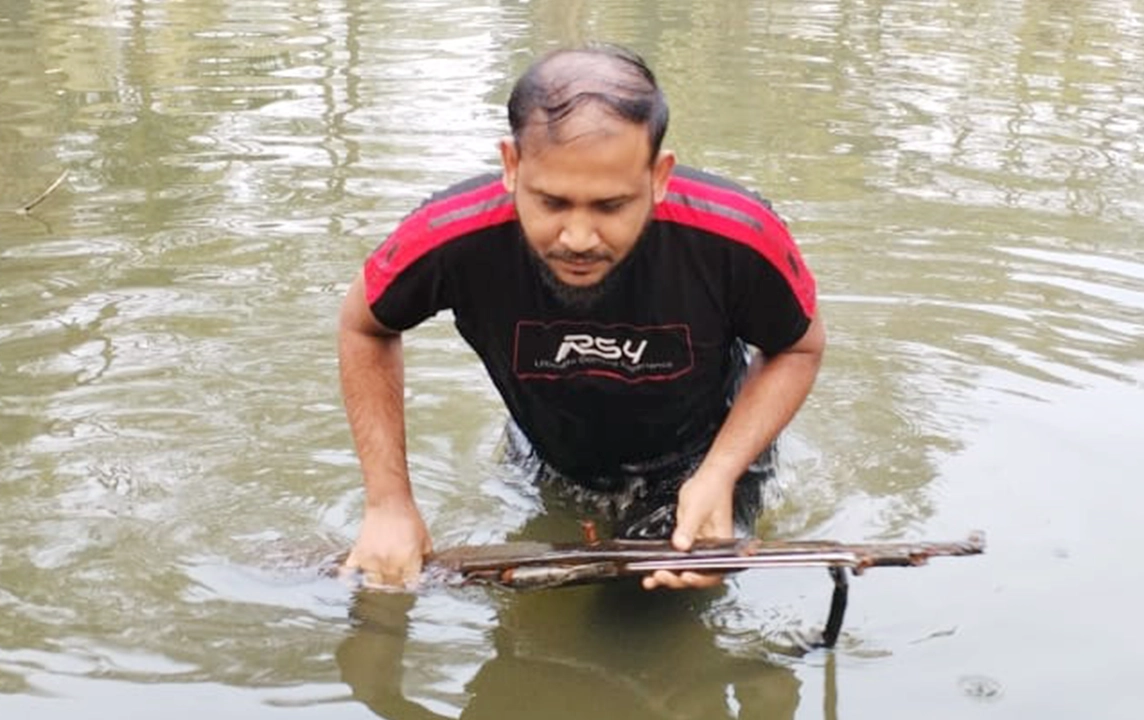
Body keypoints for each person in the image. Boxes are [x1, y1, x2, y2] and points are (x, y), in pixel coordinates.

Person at [337, 43, 824, 591]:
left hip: (703, 451)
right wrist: (388, 504)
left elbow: (797, 347)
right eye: (551, 203)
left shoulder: (735, 237)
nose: (577, 238)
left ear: (659, 176)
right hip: (547, 449)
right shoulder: (452, 237)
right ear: (511, 165)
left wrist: (719, 474)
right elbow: (366, 325)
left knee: (646, 606)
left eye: (611, 206)